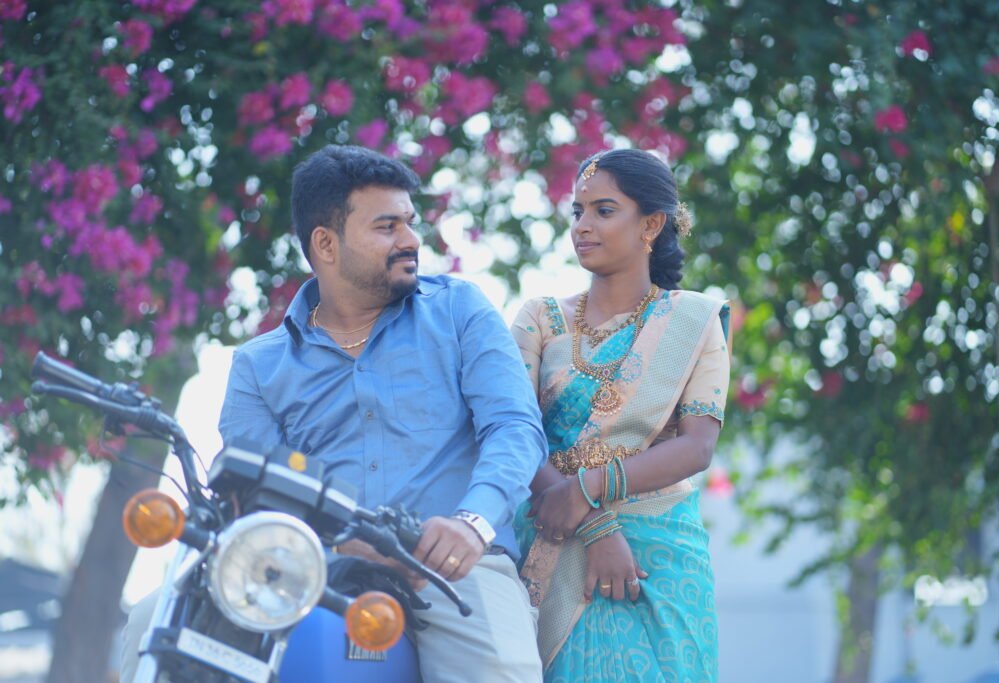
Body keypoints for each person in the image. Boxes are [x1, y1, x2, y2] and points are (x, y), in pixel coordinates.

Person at [121, 145, 546, 682]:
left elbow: (514, 427)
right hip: (309, 569)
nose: (411, 240)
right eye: (387, 226)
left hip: (455, 566)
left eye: (409, 222)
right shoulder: (259, 365)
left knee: (498, 669)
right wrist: (345, 543)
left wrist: (473, 523)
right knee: (153, 619)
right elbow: (253, 495)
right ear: (325, 243)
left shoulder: (460, 310)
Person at [511, 148, 730, 682]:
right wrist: (594, 523)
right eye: (577, 212)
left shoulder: (693, 320)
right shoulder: (540, 319)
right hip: (553, 534)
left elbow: (697, 446)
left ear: (651, 224)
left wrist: (589, 488)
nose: (582, 226)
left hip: (658, 558)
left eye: (603, 210)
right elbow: (513, 430)